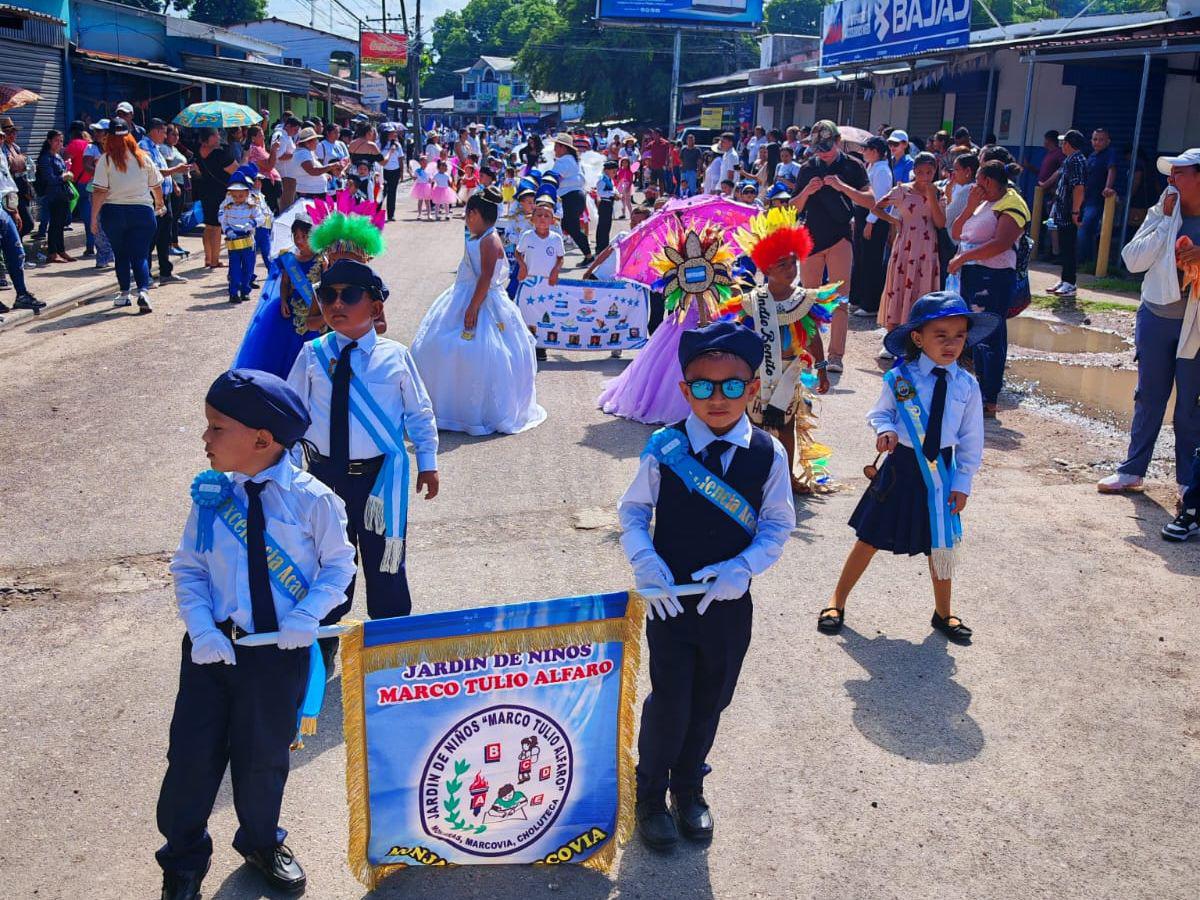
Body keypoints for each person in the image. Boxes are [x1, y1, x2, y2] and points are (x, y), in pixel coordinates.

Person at [156, 368, 356, 900]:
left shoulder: (314, 501)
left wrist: (307, 615)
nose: (205, 438)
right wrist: (201, 629)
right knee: (191, 761)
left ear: (262, 441)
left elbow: (339, 566)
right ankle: (182, 860)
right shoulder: (211, 496)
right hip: (212, 649)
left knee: (263, 757)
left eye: (217, 428)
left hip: (276, 652)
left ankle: (262, 841)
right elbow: (190, 569)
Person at [620, 319, 795, 849]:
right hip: (670, 601)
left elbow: (777, 524)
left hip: (728, 604)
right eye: (702, 385)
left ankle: (689, 787)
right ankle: (650, 790)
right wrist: (645, 562)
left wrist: (743, 569)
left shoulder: (768, 453)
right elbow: (633, 513)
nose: (716, 398)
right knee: (670, 699)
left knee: (712, 699)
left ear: (753, 388)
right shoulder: (665, 447)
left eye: (731, 385)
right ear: (683, 389)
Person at [817, 292, 996, 643]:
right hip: (900, 469)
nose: (951, 343)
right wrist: (885, 430)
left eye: (959, 335)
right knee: (868, 537)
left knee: (940, 545)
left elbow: (972, 439)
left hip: (941, 474)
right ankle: (836, 599)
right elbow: (880, 413)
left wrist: (963, 482)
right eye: (940, 335)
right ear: (918, 338)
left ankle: (943, 613)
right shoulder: (902, 378)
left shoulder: (967, 385)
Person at [287, 258, 439, 663]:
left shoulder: (396, 356)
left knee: (384, 561)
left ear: (374, 307)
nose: (336, 303)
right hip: (322, 477)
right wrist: (282, 470)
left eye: (349, 295)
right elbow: (290, 413)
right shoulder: (312, 355)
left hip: (378, 481)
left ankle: (390, 647)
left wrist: (428, 460)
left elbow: (419, 413)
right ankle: (323, 642)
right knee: (326, 559)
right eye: (328, 295)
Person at [1097, 148, 1200, 503]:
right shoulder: (1163, 209)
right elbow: (1131, 259)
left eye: (1180, 173)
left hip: (1195, 325)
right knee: (1148, 397)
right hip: (1155, 316)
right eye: (1171, 173)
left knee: (1190, 404)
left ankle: (1188, 481)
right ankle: (1132, 470)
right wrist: (1162, 226)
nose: (1171, 179)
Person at [410, 188, 546, 435]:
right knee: (436, 347)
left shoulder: (489, 240)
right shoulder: (477, 236)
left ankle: (476, 409)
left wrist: (473, 306)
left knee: (483, 352)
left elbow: (485, 276)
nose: (465, 219)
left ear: (474, 214)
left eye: (467, 214)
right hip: (463, 294)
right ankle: (447, 404)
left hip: (481, 300)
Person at [732, 207, 832, 493]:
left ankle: (786, 478)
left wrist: (822, 368)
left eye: (792, 263)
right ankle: (754, 477)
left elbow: (812, 337)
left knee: (786, 427)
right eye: (782, 265)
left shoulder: (803, 300)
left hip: (789, 371)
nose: (790, 270)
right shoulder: (752, 302)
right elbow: (742, 337)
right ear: (765, 269)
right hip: (757, 374)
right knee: (753, 426)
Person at [599, 224, 741, 424]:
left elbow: (733, 294)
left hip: (716, 321)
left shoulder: (724, 267)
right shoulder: (684, 265)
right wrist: (693, 294)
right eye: (714, 242)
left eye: (720, 242)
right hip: (683, 324)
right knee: (676, 369)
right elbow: (671, 295)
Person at [947, 160, 1029, 418]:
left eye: (979, 181)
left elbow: (1002, 243)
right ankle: (978, 392)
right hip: (973, 274)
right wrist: (970, 206)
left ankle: (989, 397)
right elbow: (958, 232)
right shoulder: (982, 202)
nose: (975, 187)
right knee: (975, 334)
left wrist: (963, 259)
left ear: (989, 182)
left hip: (993, 277)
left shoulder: (1012, 204)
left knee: (991, 335)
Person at [792, 120, 874, 373]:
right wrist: (806, 191)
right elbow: (793, 208)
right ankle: (809, 353)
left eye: (827, 146)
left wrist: (842, 187)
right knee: (808, 299)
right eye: (818, 148)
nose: (823, 152)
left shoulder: (853, 166)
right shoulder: (807, 168)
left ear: (838, 142)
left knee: (840, 300)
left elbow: (871, 200)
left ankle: (836, 355)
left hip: (840, 238)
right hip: (811, 238)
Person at [873, 151, 945, 354]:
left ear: (934, 172)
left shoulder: (939, 193)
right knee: (898, 287)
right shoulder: (902, 191)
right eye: (920, 172)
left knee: (922, 290)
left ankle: (918, 341)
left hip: (927, 248)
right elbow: (877, 208)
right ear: (914, 171)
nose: (924, 176)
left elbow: (940, 223)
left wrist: (932, 197)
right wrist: (894, 221)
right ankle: (891, 338)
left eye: (929, 172)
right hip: (905, 247)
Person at [91, 120, 165, 313]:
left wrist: (93, 218)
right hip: (142, 212)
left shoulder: (105, 160)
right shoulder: (143, 158)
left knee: (121, 255)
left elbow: (99, 192)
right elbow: (156, 186)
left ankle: (124, 294)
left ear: (109, 137)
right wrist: (160, 203)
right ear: (129, 135)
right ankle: (143, 292)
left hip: (113, 213)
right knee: (140, 254)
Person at [140, 119, 188, 285]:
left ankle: (165, 273)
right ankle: (145, 275)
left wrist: (173, 183)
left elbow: (161, 170)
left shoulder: (156, 148)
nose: (166, 135)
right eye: (164, 132)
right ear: (155, 131)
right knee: (151, 236)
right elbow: (153, 172)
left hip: (165, 196)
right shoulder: (144, 147)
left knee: (164, 236)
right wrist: (176, 170)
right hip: (153, 198)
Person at [849, 136, 893, 317]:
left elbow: (880, 200)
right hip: (862, 215)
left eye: (866, 149)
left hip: (873, 219)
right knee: (860, 258)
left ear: (875, 151)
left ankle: (870, 303)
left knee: (871, 261)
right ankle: (858, 297)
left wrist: (870, 222)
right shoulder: (872, 167)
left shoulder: (882, 170)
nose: (864, 152)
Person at [0, 136, 42, 314]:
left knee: (16, 252)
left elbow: (7, 183)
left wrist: (13, 209)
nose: (2, 138)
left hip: (4, 207)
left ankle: (22, 295)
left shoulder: (2, 154)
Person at [1049, 130, 1089, 300]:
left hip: (1069, 212)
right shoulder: (1070, 160)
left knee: (1069, 246)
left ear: (1068, 144)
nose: (1061, 145)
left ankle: (1070, 283)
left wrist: (1075, 211)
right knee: (1065, 246)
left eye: (1063, 142)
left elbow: (1078, 187)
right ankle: (1065, 279)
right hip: (1063, 210)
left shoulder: (1077, 161)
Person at [218, 172, 268, 305]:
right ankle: (233, 293)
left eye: (240, 195)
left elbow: (261, 217)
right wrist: (228, 230)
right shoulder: (228, 206)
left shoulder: (253, 204)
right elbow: (223, 219)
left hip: (248, 240)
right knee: (234, 267)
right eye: (234, 195)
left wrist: (252, 224)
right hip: (233, 239)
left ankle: (245, 291)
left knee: (248, 267)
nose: (237, 198)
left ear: (247, 193)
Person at [195, 128, 238, 269]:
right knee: (216, 227)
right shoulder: (220, 154)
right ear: (210, 137)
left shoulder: (198, 152)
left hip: (205, 191)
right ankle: (215, 260)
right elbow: (236, 170)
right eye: (216, 134)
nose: (219, 137)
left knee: (208, 226)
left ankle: (208, 258)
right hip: (220, 193)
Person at [550, 133, 593, 265]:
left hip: (570, 198)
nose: (554, 149)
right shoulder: (572, 160)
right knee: (568, 226)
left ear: (563, 147)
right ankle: (587, 255)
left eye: (556, 146)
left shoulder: (564, 161)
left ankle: (587, 255)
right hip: (575, 197)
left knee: (567, 226)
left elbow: (554, 179)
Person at [1078, 127, 1119, 266]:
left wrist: (1108, 187)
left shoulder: (1110, 154)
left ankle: (1085, 262)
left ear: (1108, 141)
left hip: (1097, 200)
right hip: (1086, 199)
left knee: (1086, 228)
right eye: (1095, 139)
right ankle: (1087, 261)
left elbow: (1111, 170)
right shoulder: (1091, 156)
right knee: (1085, 230)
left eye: (1101, 140)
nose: (1097, 142)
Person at [34, 129, 73, 263]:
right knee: (55, 224)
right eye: (56, 140)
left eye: (61, 141)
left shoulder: (58, 156)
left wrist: (66, 171)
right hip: (53, 195)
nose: (59, 143)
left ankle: (61, 250)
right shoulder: (46, 158)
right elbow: (50, 179)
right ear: (49, 141)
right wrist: (64, 177)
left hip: (62, 194)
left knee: (60, 223)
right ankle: (52, 253)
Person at [292, 127, 341, 202]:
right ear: (307, 143)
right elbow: (312, 171)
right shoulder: (303, 153)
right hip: (309, 193)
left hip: (313, 192)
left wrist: (324, 174)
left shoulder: (307, 152)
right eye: (315, 140)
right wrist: (331, 166)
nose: (317, 142)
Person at [245, 126, 280, 214]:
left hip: (269, 183)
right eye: (260, 136)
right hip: (265, 184)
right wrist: (274, 150)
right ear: (253, 138)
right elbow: (269, 166)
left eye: (263, 135)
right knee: (268, 212)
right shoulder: (254, 149)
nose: (263, 138)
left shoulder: (259, 148)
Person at [273, 117, 301, 210]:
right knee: (286, 204)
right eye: (295, 129)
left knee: (289, 203)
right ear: (288, 126)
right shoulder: (281, 136)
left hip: (289, 174)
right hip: (285, 175)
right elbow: (279, 156)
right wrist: (295, 154)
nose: (296, 132)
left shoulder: (287, 136)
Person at [381, 125, 405, 221]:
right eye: (391, 132)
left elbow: (400, 159)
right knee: (382, 192)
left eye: (394, 132)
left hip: (395, 171)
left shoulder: (397, 145)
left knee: (392, 193)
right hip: (383, 171)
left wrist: (401, 172)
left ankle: (391, 215)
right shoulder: (379, 143)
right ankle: (376, 212)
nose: (394, 134)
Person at [595, 159, 617, 252]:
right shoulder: (602, 179)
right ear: (607, 170)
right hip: (604, 203)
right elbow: (600, 192)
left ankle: (604, 245)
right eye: (613, 171)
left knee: (607, 225)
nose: (615, 173)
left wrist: (616, 193)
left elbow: (613, 189)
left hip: (609, 203)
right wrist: (613, 194)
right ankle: (601, 247)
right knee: (603, 226)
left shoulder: (609, 179)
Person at [679, 133, 702, 197]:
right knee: (683, 187)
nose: (690, 141)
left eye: (691, 140)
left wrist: (699, 170)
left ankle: (692, 200)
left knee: (692, 188)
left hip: (693, 171)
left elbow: (699, 161)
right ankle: (682, 200)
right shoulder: (684, 149)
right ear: (686, 141)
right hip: (684, 171)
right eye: (689, 140)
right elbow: (680, 158)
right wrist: (682, 165)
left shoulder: (697, 150)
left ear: (694, 141)